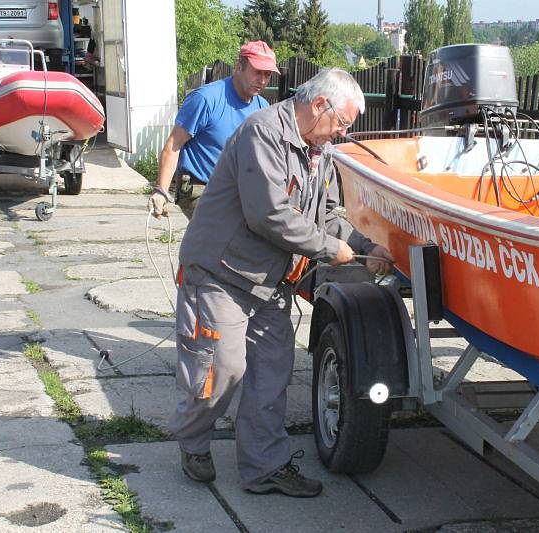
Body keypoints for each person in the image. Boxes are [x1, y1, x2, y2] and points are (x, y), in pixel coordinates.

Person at [170, 68, 395, 498]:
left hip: (267, 283)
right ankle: (192, 439)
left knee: (273, 374)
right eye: (342, 124)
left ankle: (264, 467)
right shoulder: (263, 133)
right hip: (219, 274)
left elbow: (327, 216)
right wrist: (329, 249)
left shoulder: (319, 149)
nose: (341, 134)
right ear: (318, 106)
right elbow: (268, 214)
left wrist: (366, 247)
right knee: (223, 370)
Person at [148, 41, 278, 220]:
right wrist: (161, 190)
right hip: (201, 188)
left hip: (238, 190)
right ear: (239, 66)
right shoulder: (206, 99)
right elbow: (174, 143)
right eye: (257, 72)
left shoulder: (262, 108)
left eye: (267, 75)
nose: (262, 80)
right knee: (223, 235)